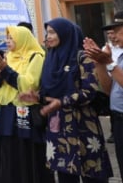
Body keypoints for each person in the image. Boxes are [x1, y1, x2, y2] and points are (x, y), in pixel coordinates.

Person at [32, 18, 113, 182]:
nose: (48, 36)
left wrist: (62, 102)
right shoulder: (50, 59)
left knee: (92, 173)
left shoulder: (83, 57)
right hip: (58, 127)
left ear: (65, 33)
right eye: (47, 33)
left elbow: (89, 91)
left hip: (83, 125)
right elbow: (49, 92)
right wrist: (38, 97)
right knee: (65, 175)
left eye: (53, 32)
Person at [0, 25, 51, 183]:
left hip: (26, 111)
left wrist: (5, 71)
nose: (8, 41)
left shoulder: (35, 56)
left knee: (27, 154)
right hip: (7, 111)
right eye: (7, 38)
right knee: (10, 154)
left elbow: (29, 85)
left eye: (12, 38)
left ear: (22, 39)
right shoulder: (8, 56)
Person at [83, 11, 123, 179]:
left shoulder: (114, 60)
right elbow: (108, 89)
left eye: (117, 31)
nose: (112, 36)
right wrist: (99, 61)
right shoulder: (118, 56)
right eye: (110, 32)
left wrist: (109, 63)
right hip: (118, 118)